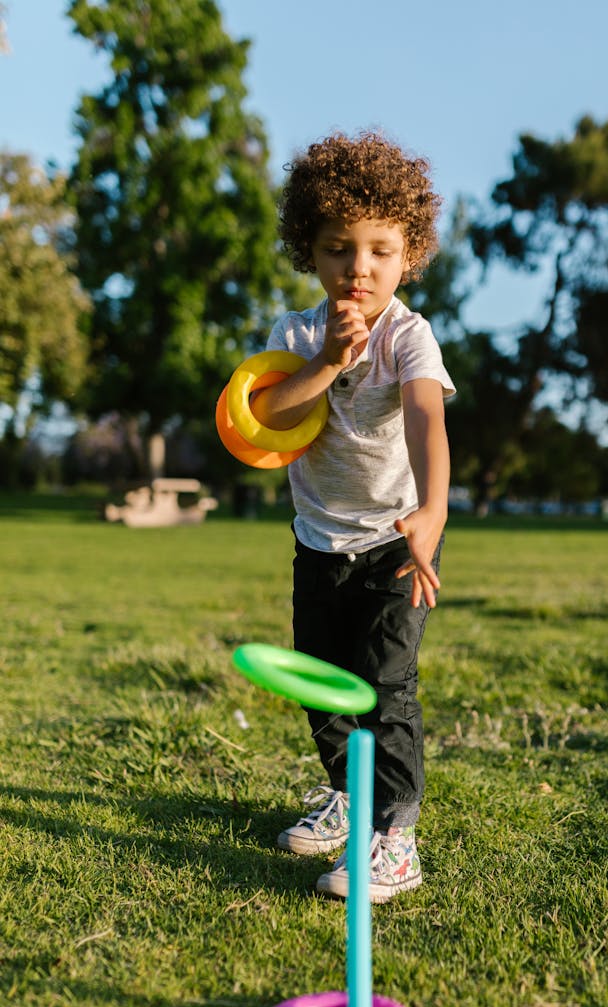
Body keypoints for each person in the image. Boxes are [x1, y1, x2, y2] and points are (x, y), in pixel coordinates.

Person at [253, 131, 455, 902]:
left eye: (379, 249)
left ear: (409, 254)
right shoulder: (298, 336)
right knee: (323, 685)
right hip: (318, 542)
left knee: (386, 685)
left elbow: (425, 421)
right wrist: (329, 362)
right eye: (339, 248)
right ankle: (348, 797)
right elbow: (267, 414)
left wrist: (432, 511)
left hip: (395, 544)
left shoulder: (409, 336)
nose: (358, 267)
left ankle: (395, 839)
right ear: (310, 251)